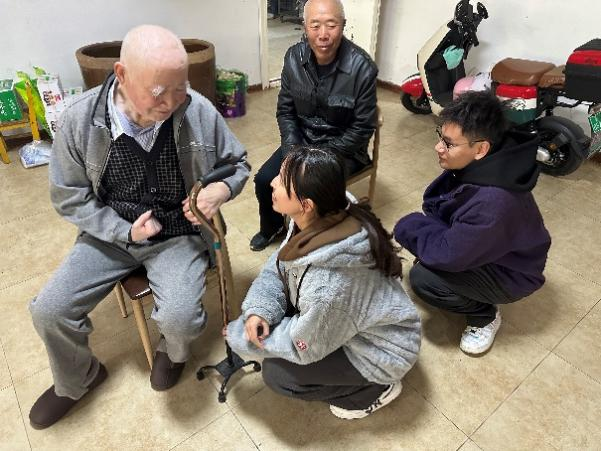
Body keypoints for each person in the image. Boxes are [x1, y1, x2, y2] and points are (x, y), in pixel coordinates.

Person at [28, 25, 250, 429]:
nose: (171, 102)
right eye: (158, 91)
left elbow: (237, 163)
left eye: (180, 87)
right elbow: (68, 196)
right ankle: (78, 378)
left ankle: (173, 353)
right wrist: (122, 231)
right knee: (49, 310)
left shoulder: (197, 109)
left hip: (177, 235)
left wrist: (220, 189)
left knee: (181, 318)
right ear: (122, 75)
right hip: (110, 233)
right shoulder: (79, 120)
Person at [227, 146, 421, 419]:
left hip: (381, 353)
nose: (272, 182)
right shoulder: (328, 210)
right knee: (278, 319)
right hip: (351, 321)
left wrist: (243, 338)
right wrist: (260, 309)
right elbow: (281, 263)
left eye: (282, 181)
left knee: (278, 375)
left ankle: (374, 390)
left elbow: (304, 345)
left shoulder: (327, 287)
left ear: (306, 204)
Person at [394, 91, 551, 355]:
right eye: (440, 137)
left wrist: (407, 227)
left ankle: (484, 316)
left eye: (448, 144)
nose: (438, 148)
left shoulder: (492, 202)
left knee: (424, 280)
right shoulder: (488, 162)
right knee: (431, 255)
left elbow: (448, 255)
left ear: (481, 149)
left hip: (513, 273)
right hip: (490, 247)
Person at [250, 0, 378, 251]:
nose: (323, 34)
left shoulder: (362, 68)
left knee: (310, 191)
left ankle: (315, 241)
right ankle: (272, 227)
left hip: (343, 150)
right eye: (315, 25)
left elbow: (362, 129)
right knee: (265, 179)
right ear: (304, 26)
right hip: (301, 142)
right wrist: (292, 152)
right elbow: (286, 111)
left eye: (331, 25)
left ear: (343, 25)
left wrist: (316, 159)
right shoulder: (293, 58)